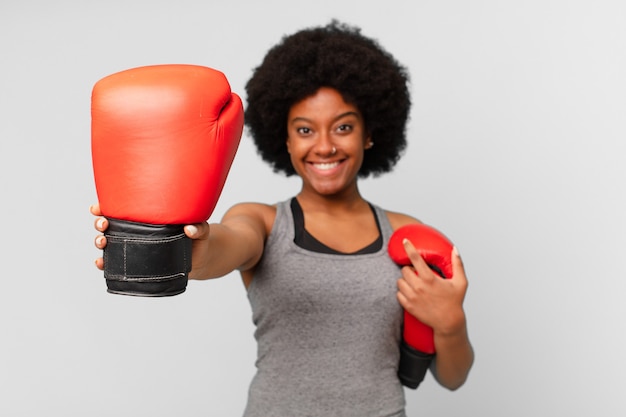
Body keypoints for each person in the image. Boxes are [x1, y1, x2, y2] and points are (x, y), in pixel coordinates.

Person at [91, 20, 473, 416]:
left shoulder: (409, 235)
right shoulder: (264, 222)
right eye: (305, 129)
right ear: (285, 139)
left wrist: (450, 322)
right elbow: (219, 248)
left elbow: (453, 376)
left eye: (343, 127)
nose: (324, 146)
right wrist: (165, 242)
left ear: (369, 134)